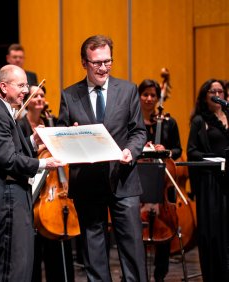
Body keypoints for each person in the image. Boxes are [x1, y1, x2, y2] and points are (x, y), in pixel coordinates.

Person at [57, 35, 147, 281]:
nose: (103, 67)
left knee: (133, 251)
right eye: (96, 62)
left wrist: (131, 150)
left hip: (123, 179)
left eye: (107, 61)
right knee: (93, 251)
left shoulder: (128, 90)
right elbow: (60, 136)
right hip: (87, 181)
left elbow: (138, 131)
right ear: (84, 62)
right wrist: (71, 135)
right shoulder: (69, 95)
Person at [0, 64, 62, 282]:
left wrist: (33, 141)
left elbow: (11, 149)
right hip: (7, 198)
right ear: (3, 87)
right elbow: (7, 159)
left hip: (13, 195)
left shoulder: (3, 112)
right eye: (21, 85)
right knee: (12, 266)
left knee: (21, 264)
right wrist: (43, 164)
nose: (27, 91)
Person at [16, 85, 75, 282]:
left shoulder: (53, 122)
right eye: (35, 95)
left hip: (54, 188)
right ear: (28, 100)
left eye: (42, 94)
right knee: (33, 246)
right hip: (32, 186)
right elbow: (19, 153)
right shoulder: (21, 125)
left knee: (57, 246)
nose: (40, 98)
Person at [138, 79, 182, 282]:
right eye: (145, 94)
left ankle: (160, 275)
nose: (149, 98)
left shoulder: (168, 123)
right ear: (139, 96)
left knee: (165, 232)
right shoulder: (133, 122)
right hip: (140, 183)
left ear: (157, 98)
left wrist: (165, 151)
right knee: (135, 233)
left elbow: (178, 149)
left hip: (163, 179)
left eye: (153, 95)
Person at [187, 79, 229, 281]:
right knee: (212, 232)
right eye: (213, 91)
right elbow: (191, 151)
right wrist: (212, 159)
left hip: (227, 179)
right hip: (211, 181)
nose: (218, 94)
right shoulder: (199, 121)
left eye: (221, 90)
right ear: (205, 96)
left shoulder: (228, 115)